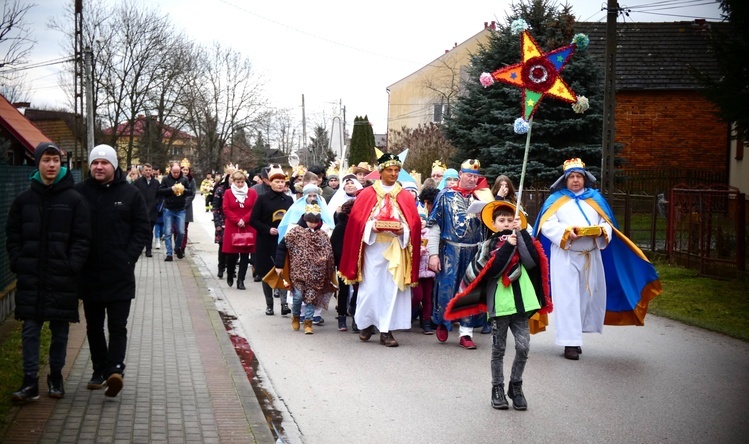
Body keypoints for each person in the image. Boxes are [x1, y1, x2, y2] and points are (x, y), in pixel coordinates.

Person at [534, 158, 662, 360]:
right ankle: (570, 342)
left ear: (585, 179)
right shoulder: (555, 200)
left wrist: (602, 231)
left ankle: (576, 335)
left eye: (579, 177)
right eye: (572, 177)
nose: (575, 180)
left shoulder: (595, 199)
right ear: (565, 180)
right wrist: (566, 233)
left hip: (590, 255)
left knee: (587, 297)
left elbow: (607, 223)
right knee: (567, 299)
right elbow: (547, 225)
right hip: (565, 255)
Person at [444, 201, 552, 410]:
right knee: (498, 349)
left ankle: (516, 385)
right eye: (501, 220)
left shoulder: (521, 238)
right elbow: (493, 270)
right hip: (499, 305)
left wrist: (521, 237)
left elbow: (532, 262)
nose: (505, 223)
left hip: (521, 304)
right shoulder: (490, 245)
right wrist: (507, 246)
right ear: (493, 224)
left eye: (510, 220)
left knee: (523, 347)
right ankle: (497, 388)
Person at [6, 142, 91, 402]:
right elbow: (13, 235)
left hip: (61, 278)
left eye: (56, 160)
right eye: (46, 160)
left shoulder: (74, 199)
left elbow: (82, 238)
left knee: (60, 330)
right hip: (32, 276)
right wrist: (19, 262)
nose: (51, 165)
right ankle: (29, 381)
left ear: (61, 164)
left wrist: (71, 265)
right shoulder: (24, 200)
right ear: (38, 163)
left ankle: (56, 377)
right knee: (30, 329)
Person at [76, 144, 151, 397]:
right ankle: (100, 370)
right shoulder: (79, 194)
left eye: (104, 162)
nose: (99, 166)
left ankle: (115, 369)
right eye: (95, 162)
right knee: (94, 326)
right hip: (90, 273)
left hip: (120, 273)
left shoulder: (130, 194)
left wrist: (128, 257)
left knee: (118, 325)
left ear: (114, 165)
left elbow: (142, 227)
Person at [339, 153, 421, 347]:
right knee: (371, 289)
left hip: (396, 248)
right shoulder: (367, 194)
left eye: (396, 171)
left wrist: (405, 230)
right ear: (381, 171)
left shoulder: (405, 196)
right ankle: (366, 324)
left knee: (391, 291)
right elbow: (356, 222)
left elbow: (414, 222)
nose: (393, 174)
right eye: (390, 170)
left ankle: (386, 330)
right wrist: (370, 228)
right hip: (373, 248)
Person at [427, 159, 495, 349]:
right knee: (447, 288)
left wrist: (487, 216)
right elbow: (434, 225)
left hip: (474, 250)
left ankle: (466, 332)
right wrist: (433, 254)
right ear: (460, 175)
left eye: (476, 176)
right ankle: (443, 321)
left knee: (470, 290)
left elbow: (491, 226)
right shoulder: (445, 195)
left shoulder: (482, 198)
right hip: (450, 250)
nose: (473, 179)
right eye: (469, 175)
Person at [275, 202, 336, 334]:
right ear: (305, 219)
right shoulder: (295, 232)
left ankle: (308, 322)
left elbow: (329, 252)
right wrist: (279, 265)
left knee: (311, 298)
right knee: (297, 297)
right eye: (310, 221)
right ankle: (296, 315)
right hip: (298, 271)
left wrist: (326, 264)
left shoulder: (322, 234)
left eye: (315, 221)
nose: (312, 224)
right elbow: (282, 246)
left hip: (316, 273)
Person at [250, 165, 293, 316]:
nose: (280, 184)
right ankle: (269, 305)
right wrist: (268, 229)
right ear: (270, 182)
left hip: (283, 242)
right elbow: (253, 220)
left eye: (282, 182)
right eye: (277, 181)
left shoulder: (288, 200)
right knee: (266, 273)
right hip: (266, 241)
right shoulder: (262, 199)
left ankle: (283, 304)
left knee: (282, 271)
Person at [222, 170, 257, 290]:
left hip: (247, 226)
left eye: (242, 182)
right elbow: (226, 209)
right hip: (233, 225)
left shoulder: (252, 193)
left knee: (245, 254)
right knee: (232, 254)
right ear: (234, 182)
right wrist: (237, 220)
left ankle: (241, 280)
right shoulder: (228, 193)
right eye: (238, 182)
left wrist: (245, 219)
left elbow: (254, 208)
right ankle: (230, 273)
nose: (240, 184)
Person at [330, 199, 359, 332]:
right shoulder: (340, 227)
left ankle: (355, 314)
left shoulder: (359, 226)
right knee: (343, 290)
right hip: (344, 262)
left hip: (359, 261)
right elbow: (335, 246)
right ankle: (341, 317)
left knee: (359, 290)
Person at [157, 162, 193, 261]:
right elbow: (160, 191)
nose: (176, 174)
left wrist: (183, 190)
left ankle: (177, 248)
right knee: (168, 232)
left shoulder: (184, 179)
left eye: (177, 172)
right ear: (171, 170)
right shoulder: (165, 179)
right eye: (174, 172)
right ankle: (169, 253)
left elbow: (190, 192)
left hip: (181, 209)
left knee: (181, 232)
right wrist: (171, 189)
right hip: (168, 208)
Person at [133, 163, 160, 257]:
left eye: (149, 170)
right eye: (146, 170)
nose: (148, 172)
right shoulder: (138, 182)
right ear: (142, 171)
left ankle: (148, 250)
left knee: (149, 231)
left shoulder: (156, 183)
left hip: (152, 211)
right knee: (140, 231)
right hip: (140, 211)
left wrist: (155, 203)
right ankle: (139, 248)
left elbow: (158, 195)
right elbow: (135, 196)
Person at [179, 162, 197, 253]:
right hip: (176, 206)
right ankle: (177, 245)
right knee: (176, 228)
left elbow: (192, 194)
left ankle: (183, 246)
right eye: (183, 169)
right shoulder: (177, 179)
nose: (185, 171)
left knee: (184, 228)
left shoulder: (191, 180)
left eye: (187, 170)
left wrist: (184, 203)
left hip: (186, 207)